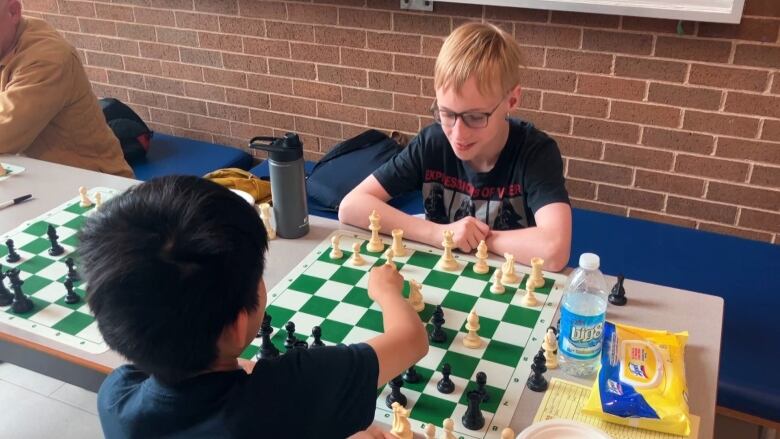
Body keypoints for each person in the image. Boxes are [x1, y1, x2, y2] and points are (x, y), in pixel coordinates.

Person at [78, 176, 428, 438]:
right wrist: (385, 291)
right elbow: (411, 339)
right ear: (238, 324)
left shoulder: (116, 399)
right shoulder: (291, 391)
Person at [339, 23, 571, 271]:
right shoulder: (433, 142)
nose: (458, 134)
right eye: (447, 113)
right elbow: (351, 207)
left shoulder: (536, 153)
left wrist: (475, 238)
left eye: (475, 117)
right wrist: (440, 234)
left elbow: (555, 249)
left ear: (511, 100)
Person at [0, 0, 133, 177]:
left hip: (92, 184)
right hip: (35, 175)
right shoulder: (7, 38)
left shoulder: (47, 57)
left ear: (13, 11)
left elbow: (5, 133)